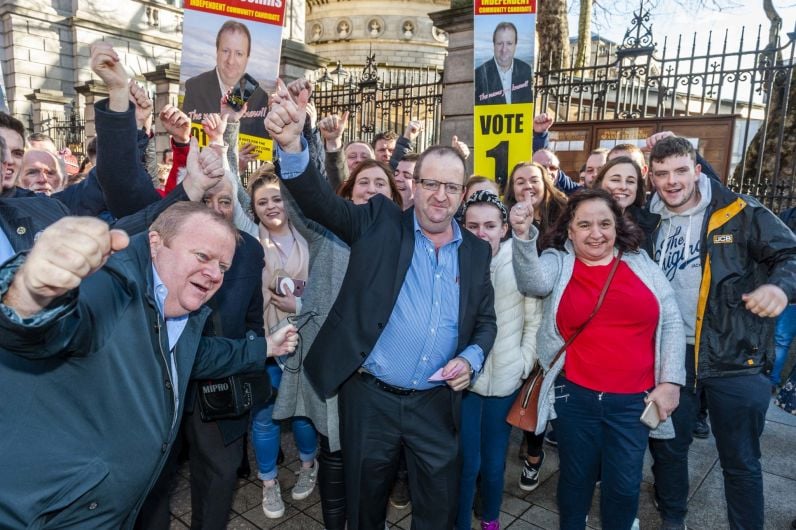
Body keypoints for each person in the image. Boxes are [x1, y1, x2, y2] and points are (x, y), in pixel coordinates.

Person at [265, 79, 497, 530]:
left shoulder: (476, 250)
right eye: (430, 183)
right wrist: (294, 144)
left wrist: (472, 356)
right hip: (370, 399)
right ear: (412, 186)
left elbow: (485, 321)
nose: (440, 196)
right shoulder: (379, 221)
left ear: (462, 193)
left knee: (438, 511)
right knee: (363, 508)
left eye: (451, 188)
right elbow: (319, 205)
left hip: (436, 404)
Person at [0, 201, 298, 529]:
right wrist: (32, 292)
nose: (214, 274)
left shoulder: (177, 305)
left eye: (223, 267)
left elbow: (200, 355)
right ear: (156, 243)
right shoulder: (116, 282)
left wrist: (267, 346)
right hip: (46, 515)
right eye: (202, 256)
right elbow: (41, 329)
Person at [511, 188, 686, 530]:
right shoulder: (558, 262)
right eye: (585, 224)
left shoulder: (640, 263)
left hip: (635, 401)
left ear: (617, 227)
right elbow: (531, 281)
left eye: (605, 223)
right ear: (570, 229)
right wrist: (522, 235)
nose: (596, 233)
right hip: (575, 396)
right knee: (575, 481)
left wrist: (670, 382)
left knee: (623, 486)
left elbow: (672, 320)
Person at [646, 137, 796, 530]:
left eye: (680, 171)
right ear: (652, 177)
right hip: (672, 357)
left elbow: (790, 253)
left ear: (697, 171)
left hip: (736, 357)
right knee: (668, 449)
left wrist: (779, 287)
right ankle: (673, 518)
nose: (672, 182)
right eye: (662, 173)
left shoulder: (739, 211)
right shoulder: (649, 216)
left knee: (741, 460)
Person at [457, 190, 543, 530]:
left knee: (494, 463)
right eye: (473, 225)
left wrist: (523, 363)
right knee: (466, 462)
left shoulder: (519, 259)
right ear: (462, 227)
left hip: (506, 379)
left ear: (504, 228)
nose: (482, 233)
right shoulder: (454, 259)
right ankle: (460, 521)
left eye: (490, 225)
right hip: (465, 382)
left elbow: (534, 318)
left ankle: (490, 519)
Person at [247, 170, 319, 519]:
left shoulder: (308, 237)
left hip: (304, 340)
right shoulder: (249, 240)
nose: (271, 206)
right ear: (254, 208)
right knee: (264, 417)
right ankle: (269, 483)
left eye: (277, 198)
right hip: (264, 340)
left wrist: (300, 302)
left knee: (303, 413)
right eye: (262, 202)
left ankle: (308, 465)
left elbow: (324, 288)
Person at [181, 20, 269, 138]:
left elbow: (262, 146)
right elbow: (187, 139)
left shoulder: (259, 96)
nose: (231, 61)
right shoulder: (195, 87)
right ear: (217, 51)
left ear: (247, 58)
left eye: (239, 53)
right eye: (225, 51)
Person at [474, 22, 533, 105]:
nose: (504, 49)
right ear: (494, 45)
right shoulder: (479, 74)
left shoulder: (525, 70)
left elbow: (528, 106)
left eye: (509, 43)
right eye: (499, 43)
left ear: (515, 45)